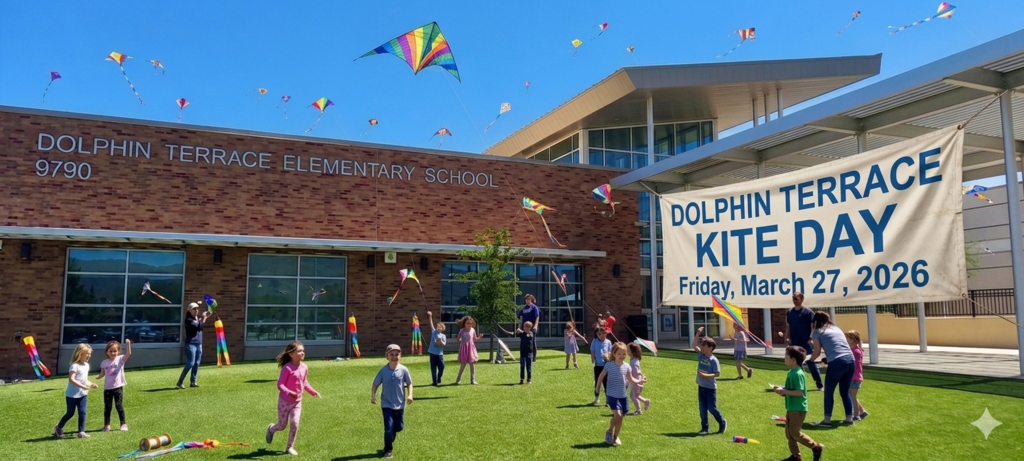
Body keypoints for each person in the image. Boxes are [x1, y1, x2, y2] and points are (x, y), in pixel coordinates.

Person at [266, 341, 321, 456]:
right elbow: (280, 384)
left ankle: (289, 447)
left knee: (295, 423)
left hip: (297, 402)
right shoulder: (287, 368)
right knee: (282, 425)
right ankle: (271, 429)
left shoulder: (304, 367)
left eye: (303, 351)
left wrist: (312, 391)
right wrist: (290, 393)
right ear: (291, 354)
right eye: (299, 351)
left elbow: (304, 382)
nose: (302, 353)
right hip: (284, 402)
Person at [773, 346, 825, 461]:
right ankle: (796, 456)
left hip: (798, 409)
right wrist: (782, 390)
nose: (784, 358)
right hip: (792, 407)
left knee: (795, 433)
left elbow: (799, 392)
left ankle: (816, 447)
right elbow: (792, 389)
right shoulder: (792, 371)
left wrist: (785, 391)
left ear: (793, 360)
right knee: (789, 434)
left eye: (786, 356)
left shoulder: (797, 373)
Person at [809, 312, 856, 427]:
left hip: (836, 362)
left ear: (815, 322)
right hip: (850, 360)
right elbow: (837, 345)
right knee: (845, 392)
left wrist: (810, 360)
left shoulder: (817, 331)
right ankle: (849, 418)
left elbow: (817, 351)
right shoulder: (837, 328)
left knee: (829, 392)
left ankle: (827, 420)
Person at [595, 342, 642, 446]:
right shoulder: (609, 365)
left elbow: (631, 379)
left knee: (620, 417)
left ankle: (615, 437)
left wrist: (639, 381)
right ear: (614, 354)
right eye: (619, 354)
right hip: (612, 395)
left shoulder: (627, 367)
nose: (622, 356)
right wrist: (597, 387)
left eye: (624, 354)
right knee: (618, 415)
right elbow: (601, 376)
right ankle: (609, 430)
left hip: (623, 396)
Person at [371, 344, 413, 459]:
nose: (394, 357)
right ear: (387, 356)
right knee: (388, 428)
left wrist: (410, 395)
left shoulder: (404, 370)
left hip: (400, 404)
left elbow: (409, 383)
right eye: (391, 355)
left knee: (399, 427)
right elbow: (375, 384)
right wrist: (373, 396)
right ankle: (388, 449)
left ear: (400, 356)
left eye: (397, 354)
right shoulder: (383, 371)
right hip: (386, 404)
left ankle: (390, 436)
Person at [54, 343, 98, 439]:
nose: (88, 356)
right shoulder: (74, 366)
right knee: (70, 413)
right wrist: (83, 386)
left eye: (90, 354)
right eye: (86, 353)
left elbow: (84, 380)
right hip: (72, 395)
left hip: (83, 395)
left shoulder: (86, 365)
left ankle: (81, 431)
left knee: (82, 412)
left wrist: (91, 384)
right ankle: (58, 427)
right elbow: (72, 379)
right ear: (79, 353)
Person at [784, 292, 823, 390]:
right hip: (795, 343)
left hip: (806, 343)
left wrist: (811, 338)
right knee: (796, 363)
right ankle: (799, 386)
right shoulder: (789, 312)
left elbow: (812, 327)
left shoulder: (808, 312)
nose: (795, 301)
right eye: (793, 299)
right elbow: (788, 326)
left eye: (797, 299)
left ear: (802, 299)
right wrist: (787, 336)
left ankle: (819, 384)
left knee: (810, 362)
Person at [692, 326, 726, 435]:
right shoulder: (701, 356)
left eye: (703, 345)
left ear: (710, 348)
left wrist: (707, 376)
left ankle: (722, 422)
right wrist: (697, 334)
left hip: (710, 389)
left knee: (712, 408)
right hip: (701, 387)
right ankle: (704, 429)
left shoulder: (714, 360)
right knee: (702, 410)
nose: (701, 347)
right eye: (701, 345)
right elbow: (693, 345)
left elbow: (717, 374)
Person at [96, 339, 131, 432]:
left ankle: (123, 424)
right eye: (110, 351)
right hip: (107, 389)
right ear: (107, 352)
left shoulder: (120, 359)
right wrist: (98, 377)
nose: (113, 353)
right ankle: (107, 425)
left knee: (119, 405)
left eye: (115, 351)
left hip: (118, 388)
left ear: (118, 351)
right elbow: (102, 373)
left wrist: (128, 344)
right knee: (107, 407)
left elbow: (128, 354)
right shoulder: (104, 363)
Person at [176, 302, 210, 389]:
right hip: (191, 344)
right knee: (190, 363)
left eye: (197, 308)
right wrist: (204, 318)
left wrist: (205, 316)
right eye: (194, 309)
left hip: (198, 343)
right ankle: (180, 382)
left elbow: (200, 324)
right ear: (189, 310)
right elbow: (199, 327)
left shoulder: (196, 318)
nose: (196, 310)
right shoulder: (189, 320)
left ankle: (193, 382)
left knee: (197, 363)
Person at [846, 330, 869, 421]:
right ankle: (862, 411)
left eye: (848, 337)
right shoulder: (854, 350)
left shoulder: (855, 351)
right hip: (856, 377)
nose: (846, 339)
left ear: (853, 340)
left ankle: (856, 415)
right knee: (851, 395)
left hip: (854, 377)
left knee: (852, 396)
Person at [454, 316, 483, 385]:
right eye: (468, 323)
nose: (469, 325)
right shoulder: (462, 331)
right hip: (464, 349)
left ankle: (472, 380)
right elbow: (458, 339)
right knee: (463, 365)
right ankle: (458, 380)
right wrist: (460, 340)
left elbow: (474, 339)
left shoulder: (473, 330)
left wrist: (479, 337)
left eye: (471, 323)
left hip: (471, 349)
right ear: (464, 324)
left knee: (472, 364)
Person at [627, 342, 651, 416]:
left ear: (632, 352)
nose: (626, 351)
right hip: (637, 381)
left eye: (628, 350)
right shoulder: (634, 359)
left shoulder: (633, 363)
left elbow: (636, 372)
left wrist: (639, 381)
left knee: (633, 395)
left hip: (636, 382)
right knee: (636, 395)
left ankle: (639, 410)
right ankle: (645, 401)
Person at [589, 328, 612, 405]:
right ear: (596, 335)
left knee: (606, 383)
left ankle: (608, 400)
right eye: (599, 334)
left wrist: (607, 357)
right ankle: (596, 398)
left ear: (606, 333)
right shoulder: (594, 341)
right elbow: (592, 350)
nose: (601, 335)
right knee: (597, 382)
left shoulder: (608, 342)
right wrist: (592, 358)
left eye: (603, 333)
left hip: (606, 366)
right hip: (598, 365)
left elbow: (610, 351)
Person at [426, 311, 446, 386]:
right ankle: (434, 382)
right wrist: (430, 316)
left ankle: (439, 378)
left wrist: (440, 342)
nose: (438, 328)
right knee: (433, 368)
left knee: (442, 367)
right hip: (432, 353)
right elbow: (431, 325)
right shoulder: (434, 332)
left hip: (439, 354)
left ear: (442, 328)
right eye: (437, 326)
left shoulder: (443, 336)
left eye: (440, 327)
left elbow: (444, 345)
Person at [518, 294, 540, 362]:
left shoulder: (534, 307)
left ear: (532, 300)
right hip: (524, 328)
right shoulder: (523, 309)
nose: (528, 300)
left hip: (532, 328)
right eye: (526, 299)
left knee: (532, 342)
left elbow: (537, 317)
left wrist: (535, 326)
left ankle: (534, 358)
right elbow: (521, 319)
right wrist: (519, 328)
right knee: (524, 342)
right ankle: (523, 357)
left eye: (529, 299)